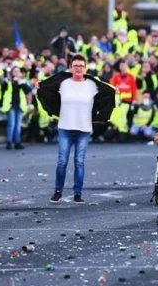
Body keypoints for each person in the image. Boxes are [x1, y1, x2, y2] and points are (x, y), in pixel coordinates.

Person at [38, 54, 115, 204]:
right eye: (76, 66)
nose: (78, 68)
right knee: (62, 162)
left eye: (81, 66)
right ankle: (58, 192)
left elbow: (106, 93)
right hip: (65, 127)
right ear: (71, 68)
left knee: (79, 162)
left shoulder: (92, 85)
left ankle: (77, 194)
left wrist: (113, 92)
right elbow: (48, 91)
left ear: (85, 68)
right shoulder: (63, 83)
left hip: (84, 129)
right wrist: (40, 87)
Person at [1, 67, 32, 150]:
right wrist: (8, 80)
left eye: (18, 72)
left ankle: (17, 142)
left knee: (18, 125)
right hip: (11, 106)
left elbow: (28, 90)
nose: (17, 73)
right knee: (11, 125)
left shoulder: (22, 82)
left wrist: (21, 82)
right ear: (11, 73)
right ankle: (9, 142)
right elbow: (3, 88)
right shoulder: (8, 81)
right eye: (15, 71)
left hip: (20, 106)